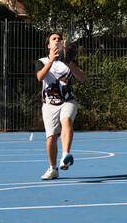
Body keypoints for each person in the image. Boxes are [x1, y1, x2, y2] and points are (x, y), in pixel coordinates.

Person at [36, 32, 86, 180]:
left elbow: (82, 78)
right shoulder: (42, 61)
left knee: (67, 120)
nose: (57, 40)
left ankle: (65, 155)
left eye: (59, 39)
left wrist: (69, 63)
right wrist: (51, 61)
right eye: (54, 39)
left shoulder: (69, 61)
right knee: (51, 137)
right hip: (49, 104)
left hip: (68, 101)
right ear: (49, 45)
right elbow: (40, 77)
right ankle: (53, 169)